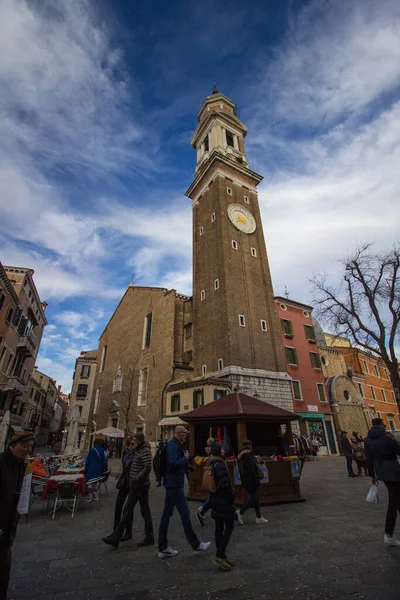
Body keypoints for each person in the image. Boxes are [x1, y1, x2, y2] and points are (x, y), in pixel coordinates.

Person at [158, 425, 210, 558]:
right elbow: (172, 462)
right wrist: (185, 458)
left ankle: (162, 547)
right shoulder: (173, 446)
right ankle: (196, 545)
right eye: (184, 433)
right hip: (174, 484)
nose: (186, 435)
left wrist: (189, 459)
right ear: (177, 433)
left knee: (166, 515)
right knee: (185, 514)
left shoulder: (175, 445)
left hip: (172, 483)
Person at [102, 432, 154, 549]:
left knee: (144, 511)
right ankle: (116, 538)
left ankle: (149, 536)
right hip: (134, 486)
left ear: (139, 441)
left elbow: (147, 467)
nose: (132, 441)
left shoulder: (145, 451)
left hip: (141, 486)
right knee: (126, 511)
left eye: (134, 440)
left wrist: (136, 477)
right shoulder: (137, 450)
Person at [0, 431, 34, 600]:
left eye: (30, 446)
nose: (28, 449)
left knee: (3, 571)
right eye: (24, 446)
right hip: (1, 525)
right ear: (12, 446)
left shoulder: (21, 466)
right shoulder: (2, 463)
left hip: (7, 527)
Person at [365, 418, 400, 547]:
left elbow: (368, 459)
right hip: (393, 471)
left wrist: (372, 475)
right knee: (394, 502)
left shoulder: (367, 440)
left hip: (381, 472)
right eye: (384, 425)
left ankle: (389, 534)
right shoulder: (386, 438)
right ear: (380, 425)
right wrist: (393, 439)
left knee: (397, 498)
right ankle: (388, 534)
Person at [208, 441, 237, 571]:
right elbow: (225, 485)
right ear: (219, 451)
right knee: (229, 526)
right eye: (222, 450)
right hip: (223, 502)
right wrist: (231, 498)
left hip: (215, 500)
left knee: (219, 528)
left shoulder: (211, 463)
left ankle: (222, 556)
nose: (224, 451)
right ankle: (219, 556)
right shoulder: (220, 465)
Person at [236, 440, 268, 525]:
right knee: (254, 500)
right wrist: (257, 479)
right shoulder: (247, 456)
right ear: (249, 446)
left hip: (249, 480)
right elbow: (251, 471)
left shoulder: (246, 455)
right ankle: (240, 512)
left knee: (256, 500)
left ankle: (259, 517)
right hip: (251, 481)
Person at [111, 438, 135, 541]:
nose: (131, 446)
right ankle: (116, 530)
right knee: (118, 506)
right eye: (129, 444)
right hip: (123, 483)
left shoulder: (136, 455)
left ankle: (128, 532)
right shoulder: (125, 454)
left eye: (133, 444)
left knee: (128, 509)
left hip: (131, 484)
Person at [197, 437, 215, 526]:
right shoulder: (213, 454)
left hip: (211, 477)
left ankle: (202, 510)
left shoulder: (209, 453)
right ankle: (202, 510)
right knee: (214, 496)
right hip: (213, 478)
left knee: (214, 497)